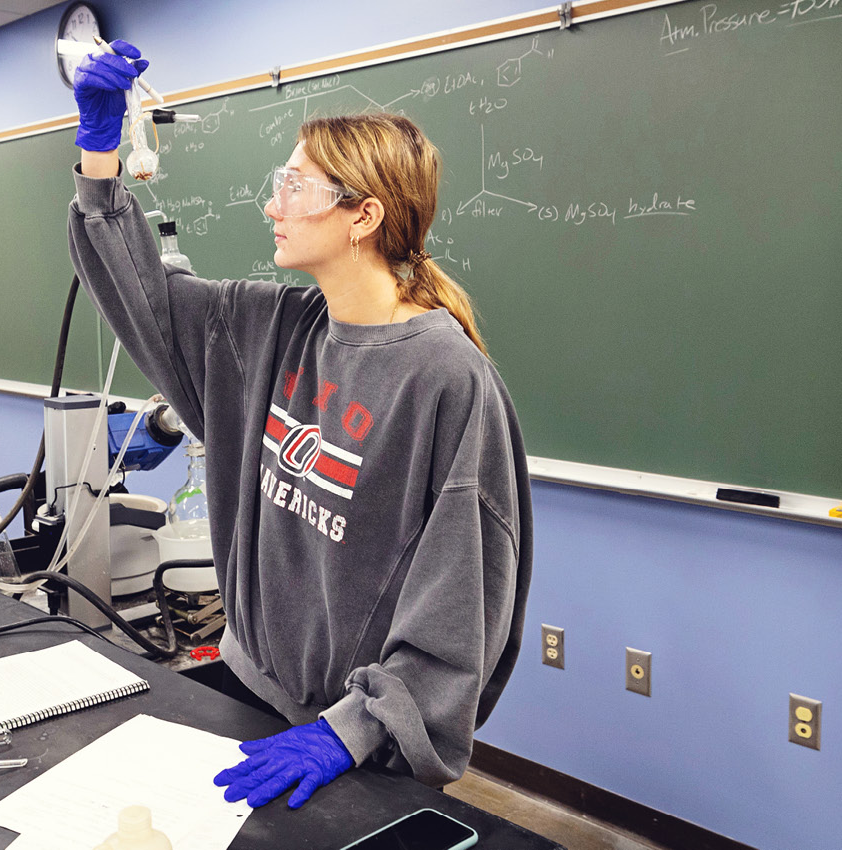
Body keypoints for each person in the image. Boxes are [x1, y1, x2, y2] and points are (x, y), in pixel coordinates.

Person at [67, 43, 533, 810]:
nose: (272, 204)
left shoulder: (445, 379)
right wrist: (98, 157)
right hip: (246, 685)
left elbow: (462, 601)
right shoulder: (275, 329)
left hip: (350, 742)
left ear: (363, 215)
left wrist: (355, 728)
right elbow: (145, 298)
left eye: (292, 185)